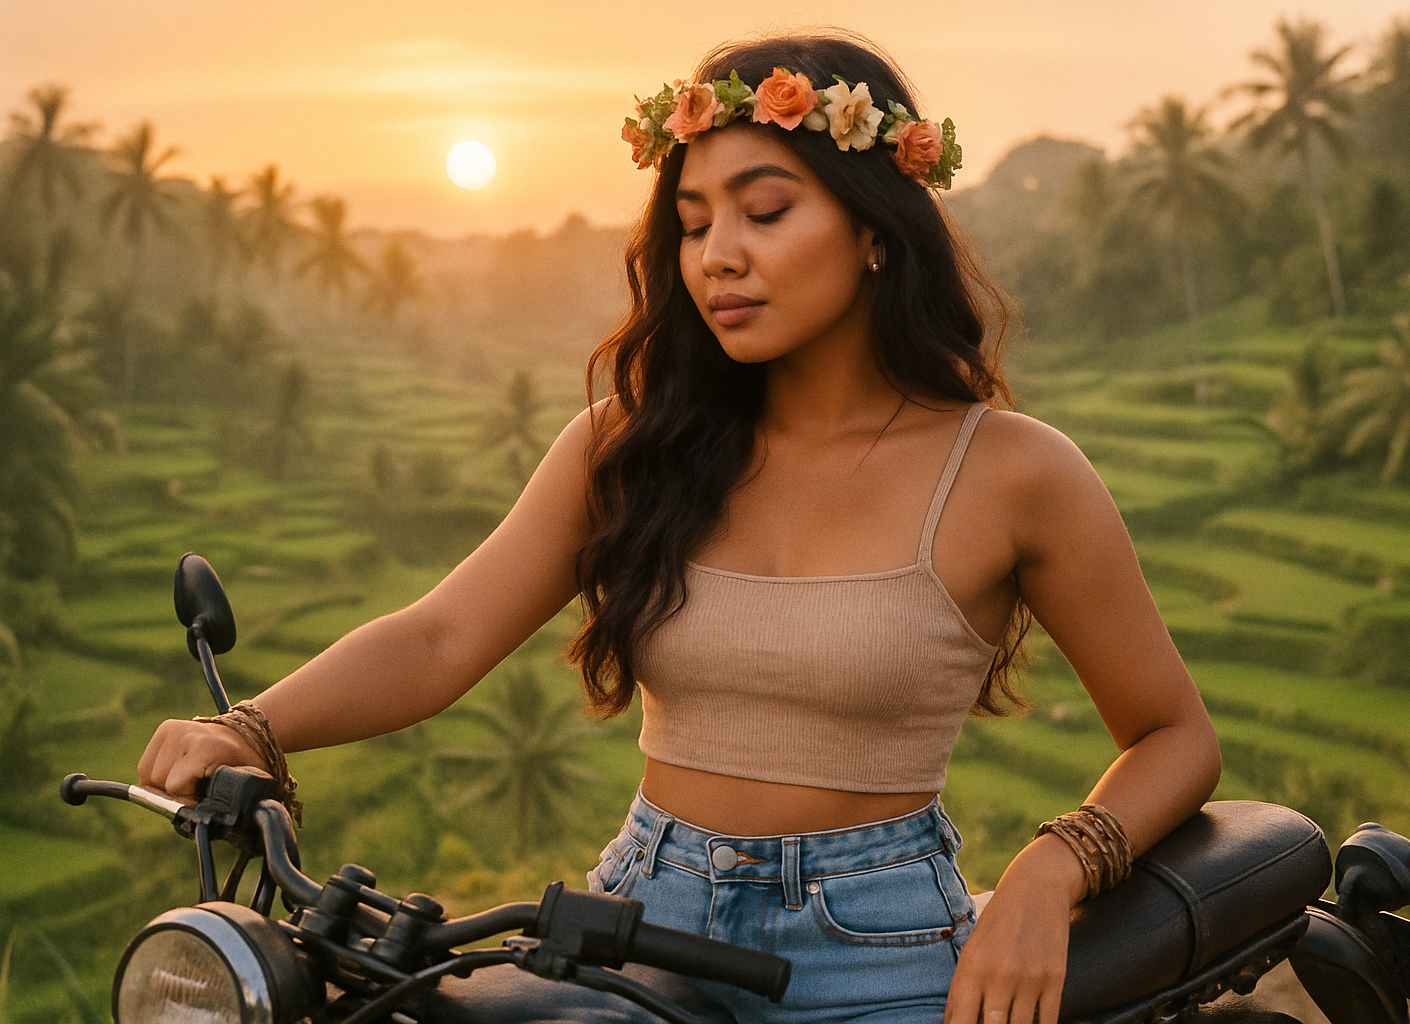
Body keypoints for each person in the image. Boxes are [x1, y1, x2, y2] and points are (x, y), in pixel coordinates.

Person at [138, 31, 1221, 1024]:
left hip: (880, 954)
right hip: (638, 921)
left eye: (765, 211)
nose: (717, 256)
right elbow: (439, 636)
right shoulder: (629, 445)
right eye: (694, 223)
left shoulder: (1014, 473)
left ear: (874, 230)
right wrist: (255, 728)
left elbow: (1175, 735)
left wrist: (1049, 870)